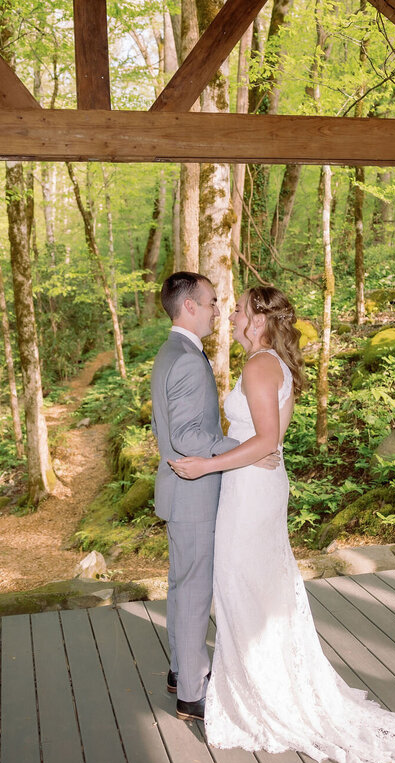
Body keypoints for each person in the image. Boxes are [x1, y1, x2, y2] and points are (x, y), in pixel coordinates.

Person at [168, 286, 395, 763]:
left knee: (243, 584)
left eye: (240, 309)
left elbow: (266, 440)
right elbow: (267, 442)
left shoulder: (259, 366)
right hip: (255, 483)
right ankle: (261, 678)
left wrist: (207, 464)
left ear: (260, 321)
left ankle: (264, 692)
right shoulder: (268, 362)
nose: (233, 314)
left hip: (250, 489)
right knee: (252, 585)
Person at [150, 271, 279, 722]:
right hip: (194, 494)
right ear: (189, 306)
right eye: (210, 303)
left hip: (185, 492)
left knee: (183, 585)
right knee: (193, 593)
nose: (218, 311)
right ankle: (191, 691)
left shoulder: (175, 352)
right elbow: (187, 435)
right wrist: (241, 452)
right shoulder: (186, 357)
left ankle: (178, 669)